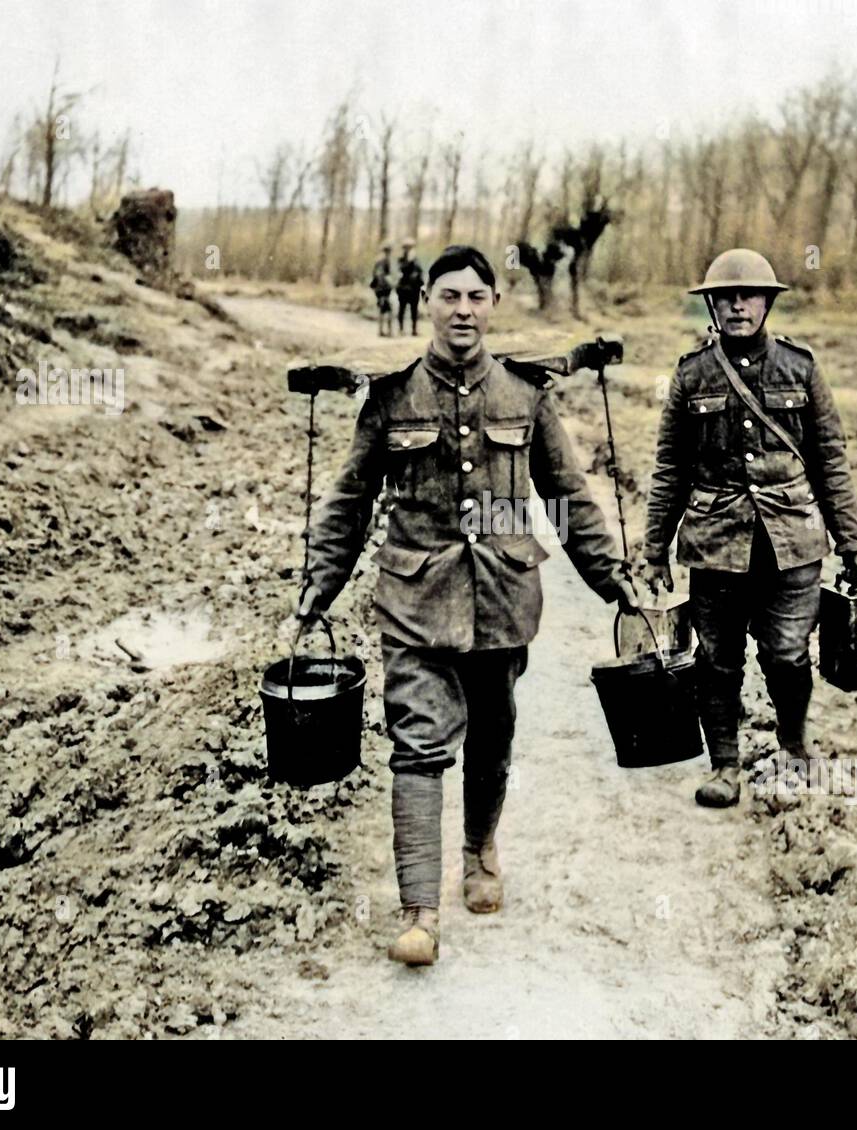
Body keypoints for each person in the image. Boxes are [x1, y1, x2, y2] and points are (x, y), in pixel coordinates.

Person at [297, 245, 640, 965]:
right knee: (417, 744)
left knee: (492, 736)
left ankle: (481, 849)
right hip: (415, 601)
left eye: (475, 297)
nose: (462, 310)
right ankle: (420, 912)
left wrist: (614, 580)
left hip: (503, 598)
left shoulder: (524, 394)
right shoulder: (391, 397)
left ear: (492, 305)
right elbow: (350, 500)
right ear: (426, 300)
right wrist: (316, 591)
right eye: (448, 295)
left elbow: (568, 496)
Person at [642, 248, 857, 809]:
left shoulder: (801, 369)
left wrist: (853, 545)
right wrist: (653, 551)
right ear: (712, 307)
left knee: (789, 653)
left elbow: (830, 461)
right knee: (717, 659)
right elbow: (670, 467)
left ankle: (794, 745)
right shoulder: (691, 375)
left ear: (768, 303)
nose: (737, 306)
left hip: (791, 542)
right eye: (726, 297)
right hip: (716, 542)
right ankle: (725, 764)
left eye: (749, 296)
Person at [396, 237, 424, 335]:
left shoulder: (416, 260)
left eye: (410, 247)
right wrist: (409, 261)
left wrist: (420, 283)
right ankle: (401, 329)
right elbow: (401, 271)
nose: (409, 249)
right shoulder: (401, 260)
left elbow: (420, 272)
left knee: (414, 309)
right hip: (404, 288)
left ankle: (414, 329)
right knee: (402, 309)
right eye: (406, 247)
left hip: (414, 289)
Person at [370, 242, 394, 337]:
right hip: (384, 289)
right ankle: (388, 331)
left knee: (382, 309)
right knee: (389, 309)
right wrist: (391, 284)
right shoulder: (385, 261)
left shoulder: (377, 261)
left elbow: (375, 276)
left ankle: (380, 330)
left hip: (378, 289)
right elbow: (385, 276)